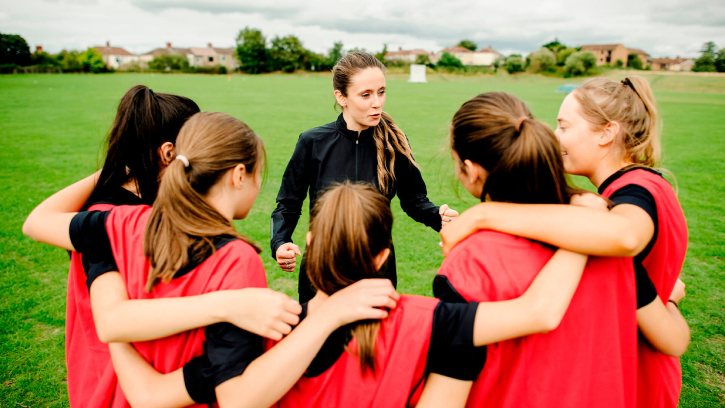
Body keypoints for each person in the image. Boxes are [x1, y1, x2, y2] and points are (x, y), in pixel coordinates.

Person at [94, 182, 591, 408]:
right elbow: (540, 312)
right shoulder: (439, 324)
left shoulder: (259, 322)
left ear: (309, 244)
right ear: (383, 256)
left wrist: (109, 307)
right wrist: (584, 228)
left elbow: (149, 396)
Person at [24, 112, 399, 408]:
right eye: (257, 174)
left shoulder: (120, 221)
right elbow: (237, 395)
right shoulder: (237, 260)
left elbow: (39, 224)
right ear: (239, 175)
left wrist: (120, 167)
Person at [440, 78, 690, 407]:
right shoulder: (638, 189)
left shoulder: (625, 202)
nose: (554, 137)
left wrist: (482, 216)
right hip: (621, 373)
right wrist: (665, 296)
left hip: (632, 374)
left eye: (564, 126)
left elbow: (624, 236)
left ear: (606, 133)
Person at [271, 51, 458, 303]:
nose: (377, 103)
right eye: (366, 95)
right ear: (342, 97)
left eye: (381, 92)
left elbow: (414, 200)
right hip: (322, 271)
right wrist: (280, 242)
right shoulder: (312, 142)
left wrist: (439, 217)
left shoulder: (395, 144)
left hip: (377, 270)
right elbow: (288, 204)